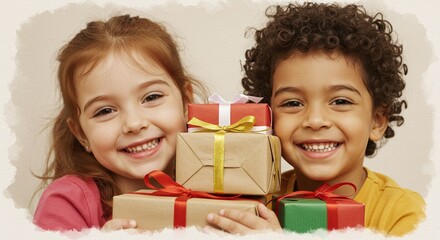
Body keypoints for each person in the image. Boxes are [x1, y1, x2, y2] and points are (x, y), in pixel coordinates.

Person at [206, 2, 425, 237]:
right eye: (293, 103)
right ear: (267, 119)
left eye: (340, 101)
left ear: (377, 121)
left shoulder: (403, 213)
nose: (315, 120)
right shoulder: (253, 201)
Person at [33, 14, 207, 231]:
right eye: (105, 111)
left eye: (151, 97)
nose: (134, 123)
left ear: (186, 101)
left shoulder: (221, 182)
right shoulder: (67, 203)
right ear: (81, 134)